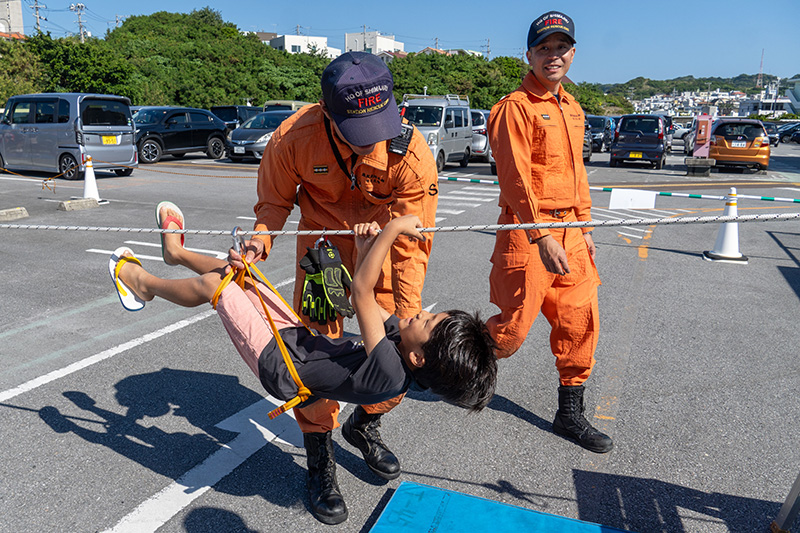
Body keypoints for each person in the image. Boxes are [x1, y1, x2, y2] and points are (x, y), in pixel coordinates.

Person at [110, 206, 497, 525]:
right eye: (431, 314)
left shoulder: (391, 373)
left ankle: (142, 283)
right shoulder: (402, 344)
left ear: (418, 358)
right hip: (297, 341)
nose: (421, 313)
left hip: (280, 363)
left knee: (218, 288)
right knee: (239, 276)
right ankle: (176, 254)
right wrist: (365, 248)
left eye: (428, 322)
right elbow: (363, 302)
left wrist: (393, 229)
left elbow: (362, 290)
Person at [227, 51, 439, 509]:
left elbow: (411, 246)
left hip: (380, 253)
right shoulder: (293, 138)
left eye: (378, 127)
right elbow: (274, 202)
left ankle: (365, 423)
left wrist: (407, 315)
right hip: (321, 253)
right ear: (326, 110)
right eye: (357, 132)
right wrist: (261, 239)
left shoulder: (411, 153)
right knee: (316, 354)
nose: (371, 142)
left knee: (397, 358)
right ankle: (319, 453)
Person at [486, 11, 613, 453]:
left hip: (572, 230)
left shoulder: (573, 108)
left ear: (573, 54)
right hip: (529, 229)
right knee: (512, 330)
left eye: (561, 47)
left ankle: (569, 413)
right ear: (529, 55)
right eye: (544, 48)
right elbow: (515, 179)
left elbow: (577, 173)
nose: (553, 55)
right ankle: (445, 360)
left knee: (580, 321)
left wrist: (585, 225)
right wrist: (540, 236)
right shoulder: (514, 108)